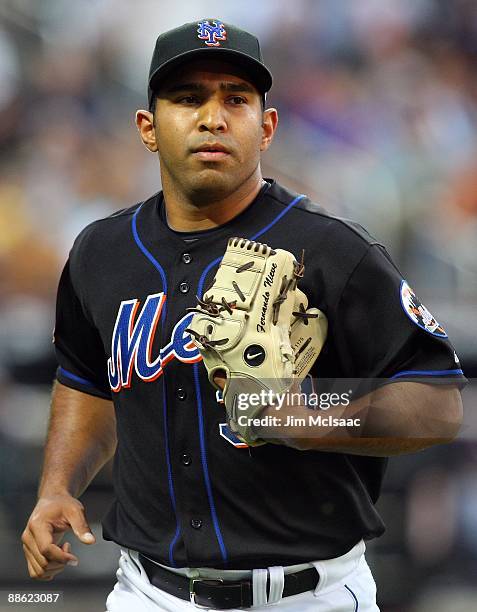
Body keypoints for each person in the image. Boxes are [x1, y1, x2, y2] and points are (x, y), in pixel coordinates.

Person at [22, 19, 465, 611]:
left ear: (268, 126)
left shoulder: (332, 249)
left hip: (307, 594)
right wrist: (58, 486)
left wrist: (314, 414)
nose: (213, 117)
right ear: (148, 128)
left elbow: (438, 402)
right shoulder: (102, 252)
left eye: (236, 98)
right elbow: (86, 379)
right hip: (147, 592)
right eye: (187, 99)